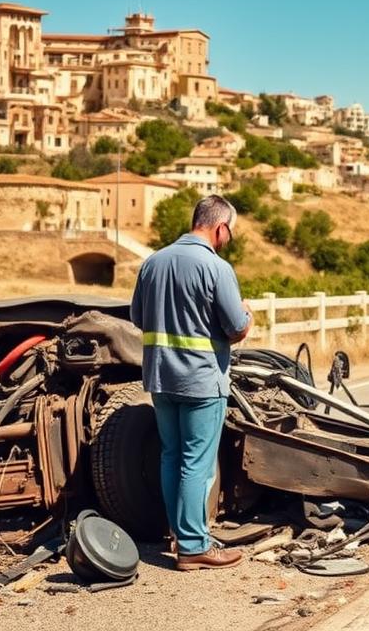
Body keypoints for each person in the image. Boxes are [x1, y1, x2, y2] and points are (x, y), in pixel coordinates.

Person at [129, 195, 252, 571]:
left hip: (161, 377)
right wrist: (248, 316)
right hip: (201, 381)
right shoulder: (216, 268)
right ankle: (195, 545)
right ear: (220, 228)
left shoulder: (153, 262)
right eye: (228, 232)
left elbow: (137, 317)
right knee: (197, 464)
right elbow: (235, 327)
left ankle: (179, 532)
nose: (227, 239)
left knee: (172, 456)